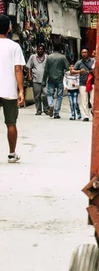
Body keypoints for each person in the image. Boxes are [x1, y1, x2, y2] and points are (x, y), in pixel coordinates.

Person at [0, 14, 25, 163]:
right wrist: (21, 90)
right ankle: (11, 154)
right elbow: (18, 70)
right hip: (9, 89)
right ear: (9, 29)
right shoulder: (15, 46)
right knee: (11, 123)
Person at [43, 41, 69, 119]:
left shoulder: (49, 57)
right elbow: (67, 67)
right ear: (60, 48)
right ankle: (56, 113)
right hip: (59, 79)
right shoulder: (63, 57)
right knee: (59, 96)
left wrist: (44, 80)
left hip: (51, 78)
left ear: (53, 48)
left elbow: (46, 70)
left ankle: (51, 105)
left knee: (50, 94)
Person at [73, 47, 95, 121]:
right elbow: (72, 71)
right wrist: (79, 71)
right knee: (84, 100)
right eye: (83, 52)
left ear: (88, 53)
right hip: (83, 83)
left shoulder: (93, 61)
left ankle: (93, 111)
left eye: (85, 52)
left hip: (92, 82)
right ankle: (86, 116)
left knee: (93, 100)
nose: (84, 54)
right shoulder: (79, 62)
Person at [26, 44, 49, 115]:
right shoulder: (32, 57)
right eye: (39, 49)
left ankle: (46, 109)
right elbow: (29, 67)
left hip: (45, 79)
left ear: (44, 50)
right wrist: (29, 76)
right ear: (37, 50)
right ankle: (38, 110)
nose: (40, 50)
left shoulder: (47, 57)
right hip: (35, 79)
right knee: (37, 96)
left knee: (45, 94)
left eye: (42, 49)